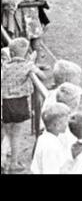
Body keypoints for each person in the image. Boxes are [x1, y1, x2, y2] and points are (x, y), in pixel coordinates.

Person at [1, 37, 46, 173]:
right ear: (26, 53)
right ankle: (13, 163)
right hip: (19, 103)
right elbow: (43, 76)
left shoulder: (5, 66)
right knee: (16, 135)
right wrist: (32, 64)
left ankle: (3, 157)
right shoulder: (27, 65)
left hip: (4, 103)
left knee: (5, 132)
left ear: (11, 53)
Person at [30, 102, 71, 174]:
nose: (68, 123)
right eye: (66, 121)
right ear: (57, 125)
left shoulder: (44, 137)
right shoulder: (51, 147)